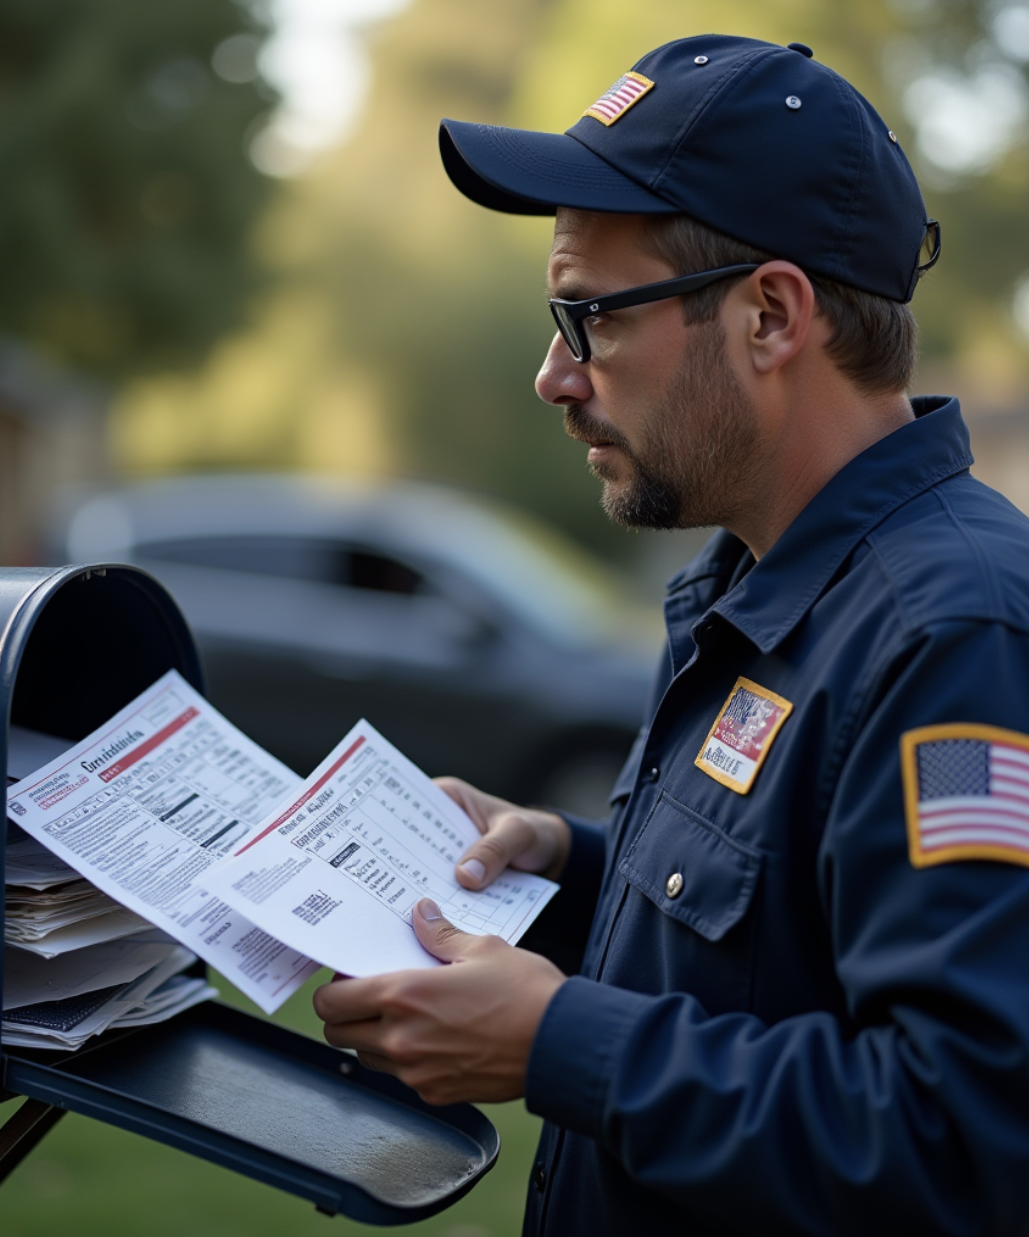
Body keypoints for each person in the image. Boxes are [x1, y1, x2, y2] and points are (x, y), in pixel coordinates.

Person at [313, 33, 1029, 1236]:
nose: (555, 374)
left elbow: (965, 1137)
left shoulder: (956, 634)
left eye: (589, 316)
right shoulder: (758, 578)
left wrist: (560, 1041)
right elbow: (779, 947)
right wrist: (561, 873)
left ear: (770, 316)